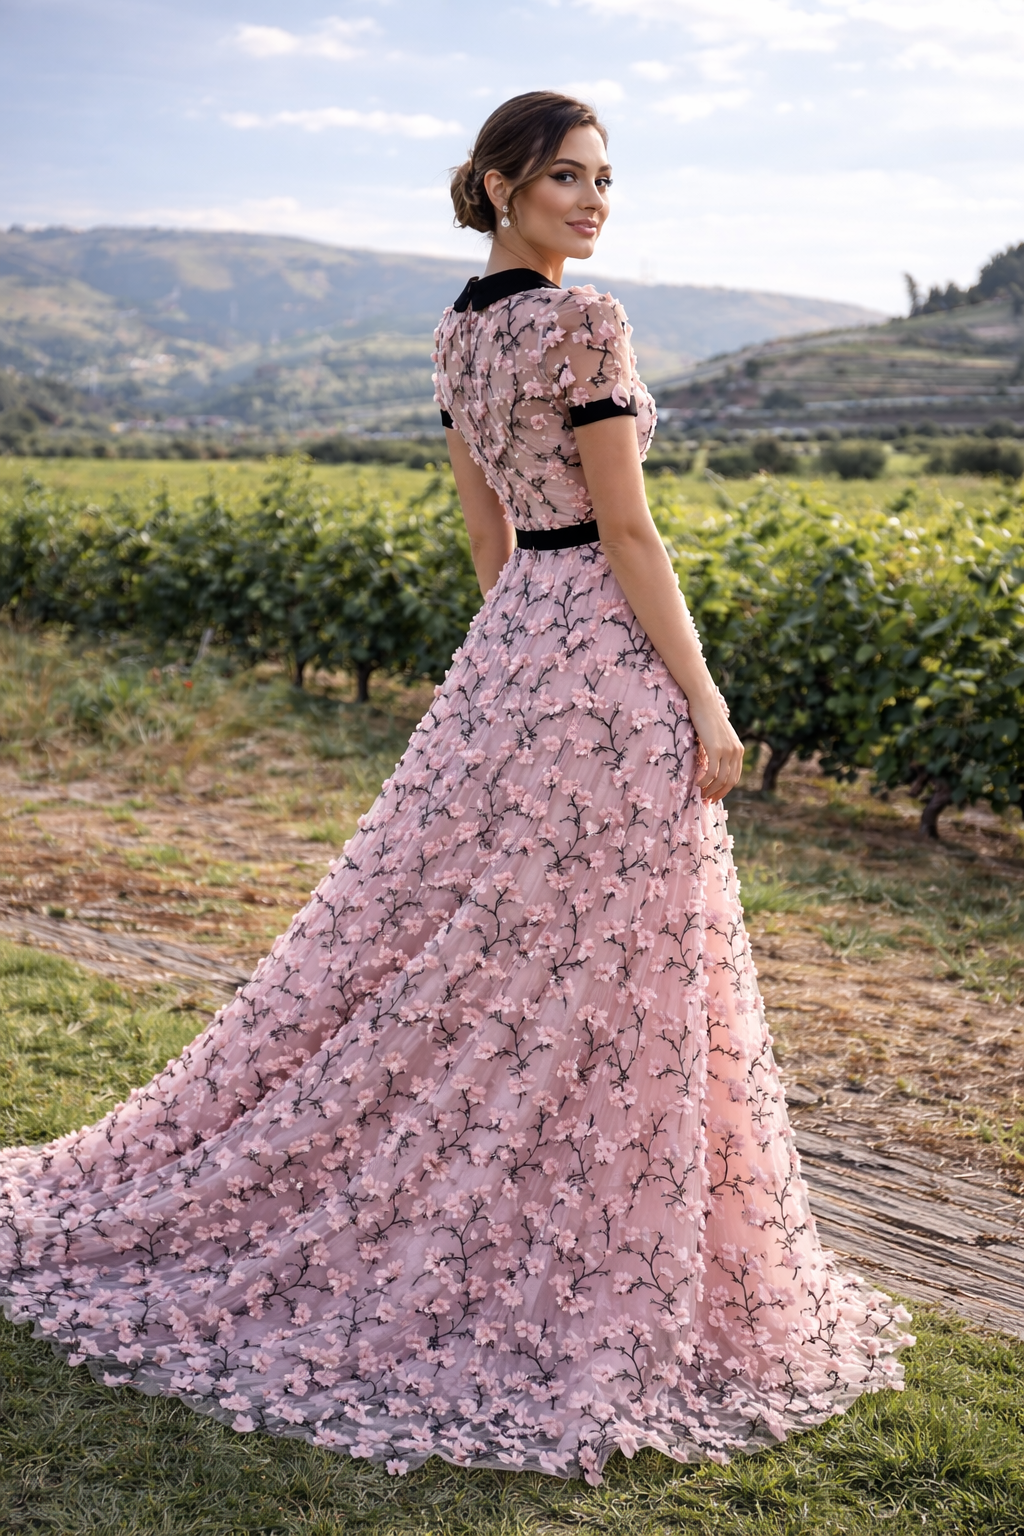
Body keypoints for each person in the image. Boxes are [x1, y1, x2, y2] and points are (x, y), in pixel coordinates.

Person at [0, 91, 912, 1486]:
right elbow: (626, 525)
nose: (593, 202)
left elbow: (492, 534)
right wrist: (704, 700)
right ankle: (560, 1225)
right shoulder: (581, 322)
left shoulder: (457, 334)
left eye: (605, 179)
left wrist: (520, 669)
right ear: (498, 184)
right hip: (603, 662)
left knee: (483, 954)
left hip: (517, 659)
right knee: (611, 966)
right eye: (565, 178)